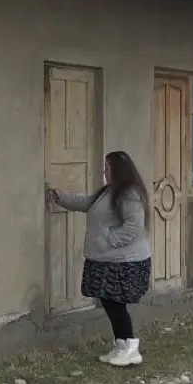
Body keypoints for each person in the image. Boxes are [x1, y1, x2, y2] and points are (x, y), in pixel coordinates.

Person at [46, 151, 152, 367]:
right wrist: (61, 197)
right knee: (109, 301)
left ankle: (130, 346)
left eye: (107, 167)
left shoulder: (129, 194)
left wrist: (108, 239)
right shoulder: (109, 191)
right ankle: (122, 345)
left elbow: (134, 226)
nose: (104, 171)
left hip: (124, 261)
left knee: (115, 303)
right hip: (109, 258)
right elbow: (87, 203)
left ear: (118, 170)